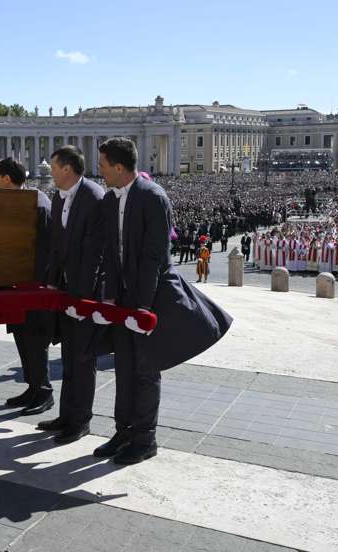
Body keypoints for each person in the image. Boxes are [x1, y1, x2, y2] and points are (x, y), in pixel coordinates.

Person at [94, 138, 232, 464]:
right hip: (126, 297)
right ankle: (123, 430)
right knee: (124, 366)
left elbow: (154, 257)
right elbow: (112, 254)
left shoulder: (153, 197)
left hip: (152, 296)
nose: (99, 172)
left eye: (102, 165)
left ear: (118, 166)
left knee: (145, 369)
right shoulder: (112, 200)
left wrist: (142, 307)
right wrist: (112, 298)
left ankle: (145, 439)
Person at [37, 145, 105, 445]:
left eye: (53, 166)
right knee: (68, 357)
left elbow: (96, 253)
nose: (49, 171)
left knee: (83, 359)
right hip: (64, 291)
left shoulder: (93, 196)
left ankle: (81, 421)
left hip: (85, 293)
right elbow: (56, 245)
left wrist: (82, 298)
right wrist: (52, 283)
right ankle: (66, 415)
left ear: (67, 168)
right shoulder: (57, 196)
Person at [0, 157, 54, 415]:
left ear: (7, 179)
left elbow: (46, 248)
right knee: (21, 335)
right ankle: (32, 387)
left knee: (34, 338)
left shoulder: (36, 202)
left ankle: (44, 391)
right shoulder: (19, 201)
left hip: (34, 284)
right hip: (18, 283)